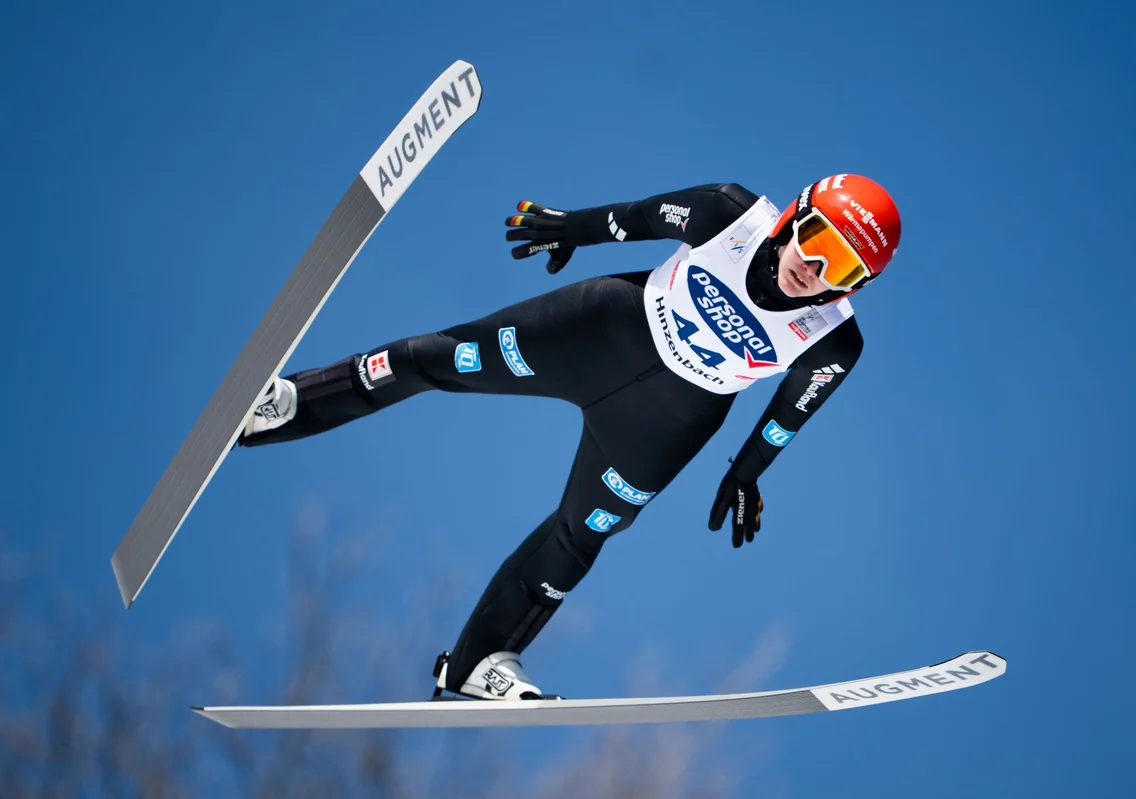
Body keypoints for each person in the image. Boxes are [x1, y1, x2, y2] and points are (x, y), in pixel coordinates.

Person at [238, 173, 903, 700]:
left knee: (582, 533)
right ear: (793, 218)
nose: (814, 270)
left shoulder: (834, 341)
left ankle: (477, 664)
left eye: (842, 270)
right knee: (430, 359)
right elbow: (637, 218)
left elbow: (790, 412)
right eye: (816, 241)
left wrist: (748, 470)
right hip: (596, 332)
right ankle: (288, 404)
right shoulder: (730, 213)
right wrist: (569, 229)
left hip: (666, 420)